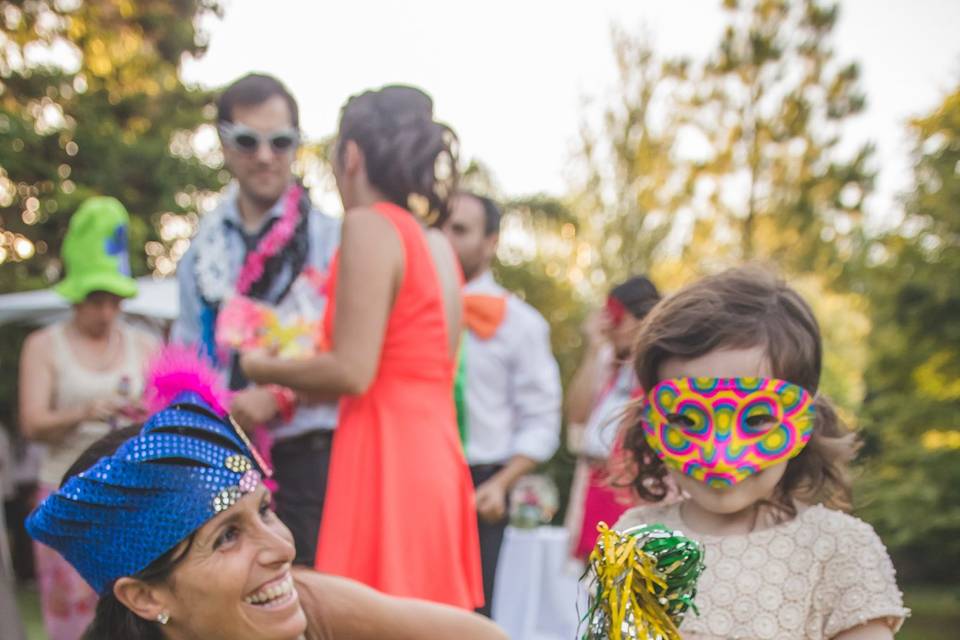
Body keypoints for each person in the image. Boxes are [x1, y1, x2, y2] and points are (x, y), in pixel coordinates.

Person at [240, 85, 483, 609]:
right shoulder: (436, 243)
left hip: (386, 451)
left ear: (350, 156)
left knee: (374, 615)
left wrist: (262, 366)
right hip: (436, 451)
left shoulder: (370, 225)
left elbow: (353, 369)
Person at [25, 389, 508, 640]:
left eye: (265, 510)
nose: (283, 548)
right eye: (227, 536)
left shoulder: (313, 604)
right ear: (146, 598)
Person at [614, 266, 908, 639]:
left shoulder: (839, 550)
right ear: (653, 424)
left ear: (804, 421)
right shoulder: (636, 538)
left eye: (755, 420)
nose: (719, 455)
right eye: (688, 420)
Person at [171, 73, 340, 566]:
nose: (265, 155)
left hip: (310, 455)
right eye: (247, 141)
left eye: (280, 141)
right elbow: (189, 354)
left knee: (314, 602)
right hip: (223, 457)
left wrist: (281, 394)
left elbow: (355, 353)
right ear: (223, 144)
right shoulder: (200, 253)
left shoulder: (333, 239)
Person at [18, 197, 158, 640]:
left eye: (114, 300)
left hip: (131, 500)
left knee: (136, 614)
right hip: (66, 498)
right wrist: (84, 412)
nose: (106, 312)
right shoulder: (43, 345)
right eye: (96, 300)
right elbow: (32, 423)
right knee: (74, 622)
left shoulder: (144, 345)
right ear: (76, 295)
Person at [440, 191, 562, 616]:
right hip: (418, 475)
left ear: (491, 242)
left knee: (471, 615)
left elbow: (542, 418)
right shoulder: (408, 312)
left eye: (459, 229)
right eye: (439, 226)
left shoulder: (523, 326)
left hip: (483, 486)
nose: (444, 238)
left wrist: (503, 483)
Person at [564, 276, 663, 560]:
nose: (611, 326)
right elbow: (576, 416)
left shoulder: (659, 367)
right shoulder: (607, 362)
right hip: (596, 483)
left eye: (617, 317)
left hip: (634, 489)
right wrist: (593, 349)